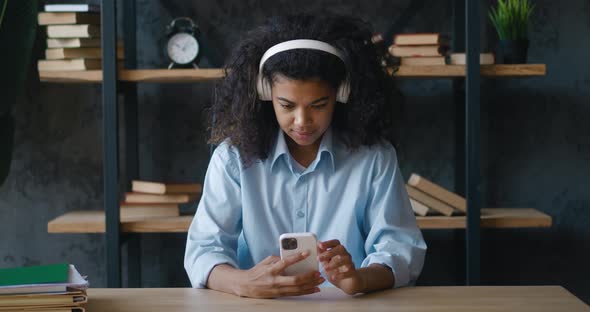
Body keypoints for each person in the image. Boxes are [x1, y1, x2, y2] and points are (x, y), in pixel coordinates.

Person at [184, 14, 426, 298]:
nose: (302, 121)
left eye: (319, 105)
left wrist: (360, 279)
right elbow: (203, 249)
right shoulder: (232, 159)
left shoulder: (374, 158)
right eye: (286, 105)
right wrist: (243, 282)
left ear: (341, 94)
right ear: (265, 94)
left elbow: (400, 247)